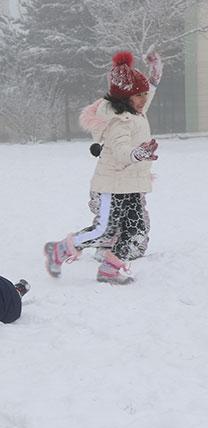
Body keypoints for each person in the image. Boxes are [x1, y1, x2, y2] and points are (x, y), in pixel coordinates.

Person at [45, 50, 163, 285]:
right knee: (105, 230)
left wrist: (156, 73)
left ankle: (110, 268)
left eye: (144, 94)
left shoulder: (137, 111)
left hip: (131, 185)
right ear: (125, 98)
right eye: (139, 95)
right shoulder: (119, 121)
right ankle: (59, 250)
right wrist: (138, 153)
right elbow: (120, 153)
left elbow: (148, 92)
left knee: (135, 230)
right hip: (112, 185)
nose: (144, 98)